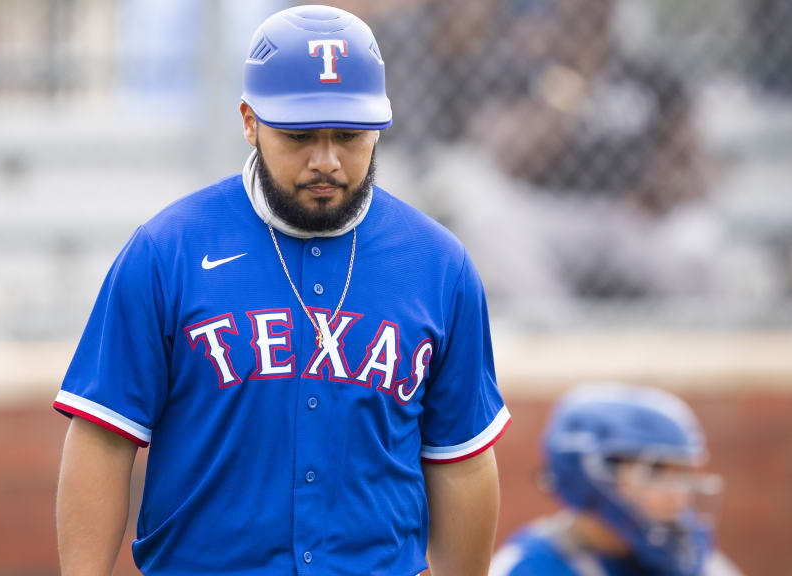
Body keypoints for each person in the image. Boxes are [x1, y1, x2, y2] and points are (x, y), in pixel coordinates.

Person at [53, 5, 509, 576]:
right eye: (298, 136)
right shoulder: (167, 251)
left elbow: (461, 459)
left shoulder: (439, 264)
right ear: (249, 121)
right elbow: (103, 437)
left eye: (348, 135)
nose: (327, 161)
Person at [489, 383, 742, 576]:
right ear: (589, 475)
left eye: (683, 475)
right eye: (657, 472)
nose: (679, 495)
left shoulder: (695, 560)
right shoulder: (531, 566)